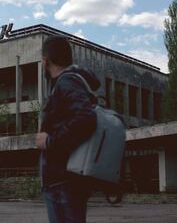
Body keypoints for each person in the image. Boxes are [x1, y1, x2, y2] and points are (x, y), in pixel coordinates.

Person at [35, 35, 100, 223]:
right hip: (63, 182)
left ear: (46, 61)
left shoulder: (66, 83)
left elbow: (85, 118)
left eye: (41, 59)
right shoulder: (66, 83)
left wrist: (49, 141)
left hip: (63, 184)